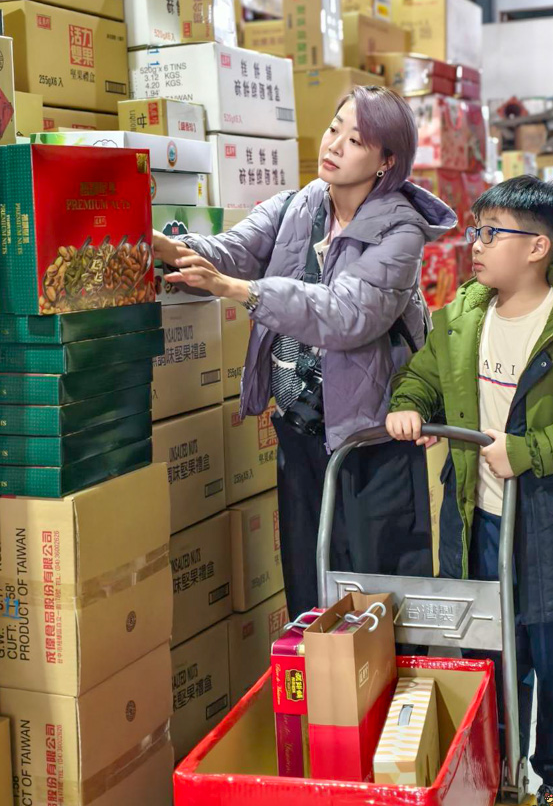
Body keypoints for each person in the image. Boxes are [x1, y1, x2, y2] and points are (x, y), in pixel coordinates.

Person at [385, 175, 553, 806]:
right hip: (480, 525)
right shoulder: (465, 313)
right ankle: (497, 786)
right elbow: (427, 374)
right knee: (495, 665)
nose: (473, 245)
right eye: (475, 230)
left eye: (489, 233)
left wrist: (530, 451)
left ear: (536, 246)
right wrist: (408, 404)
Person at [152, 85, 457, 620]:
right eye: (335, 128)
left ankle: (388, 700)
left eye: (355, 139)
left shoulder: (401, 232)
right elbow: (233, 249)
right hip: (299, 430)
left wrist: (240, 290)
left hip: (371, 438)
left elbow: (346, 315)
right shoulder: (300, 204)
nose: (334, 144)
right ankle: (322, 698)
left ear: (386, 161)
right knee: (310, 583)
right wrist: (167, 245)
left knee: (378, 590)